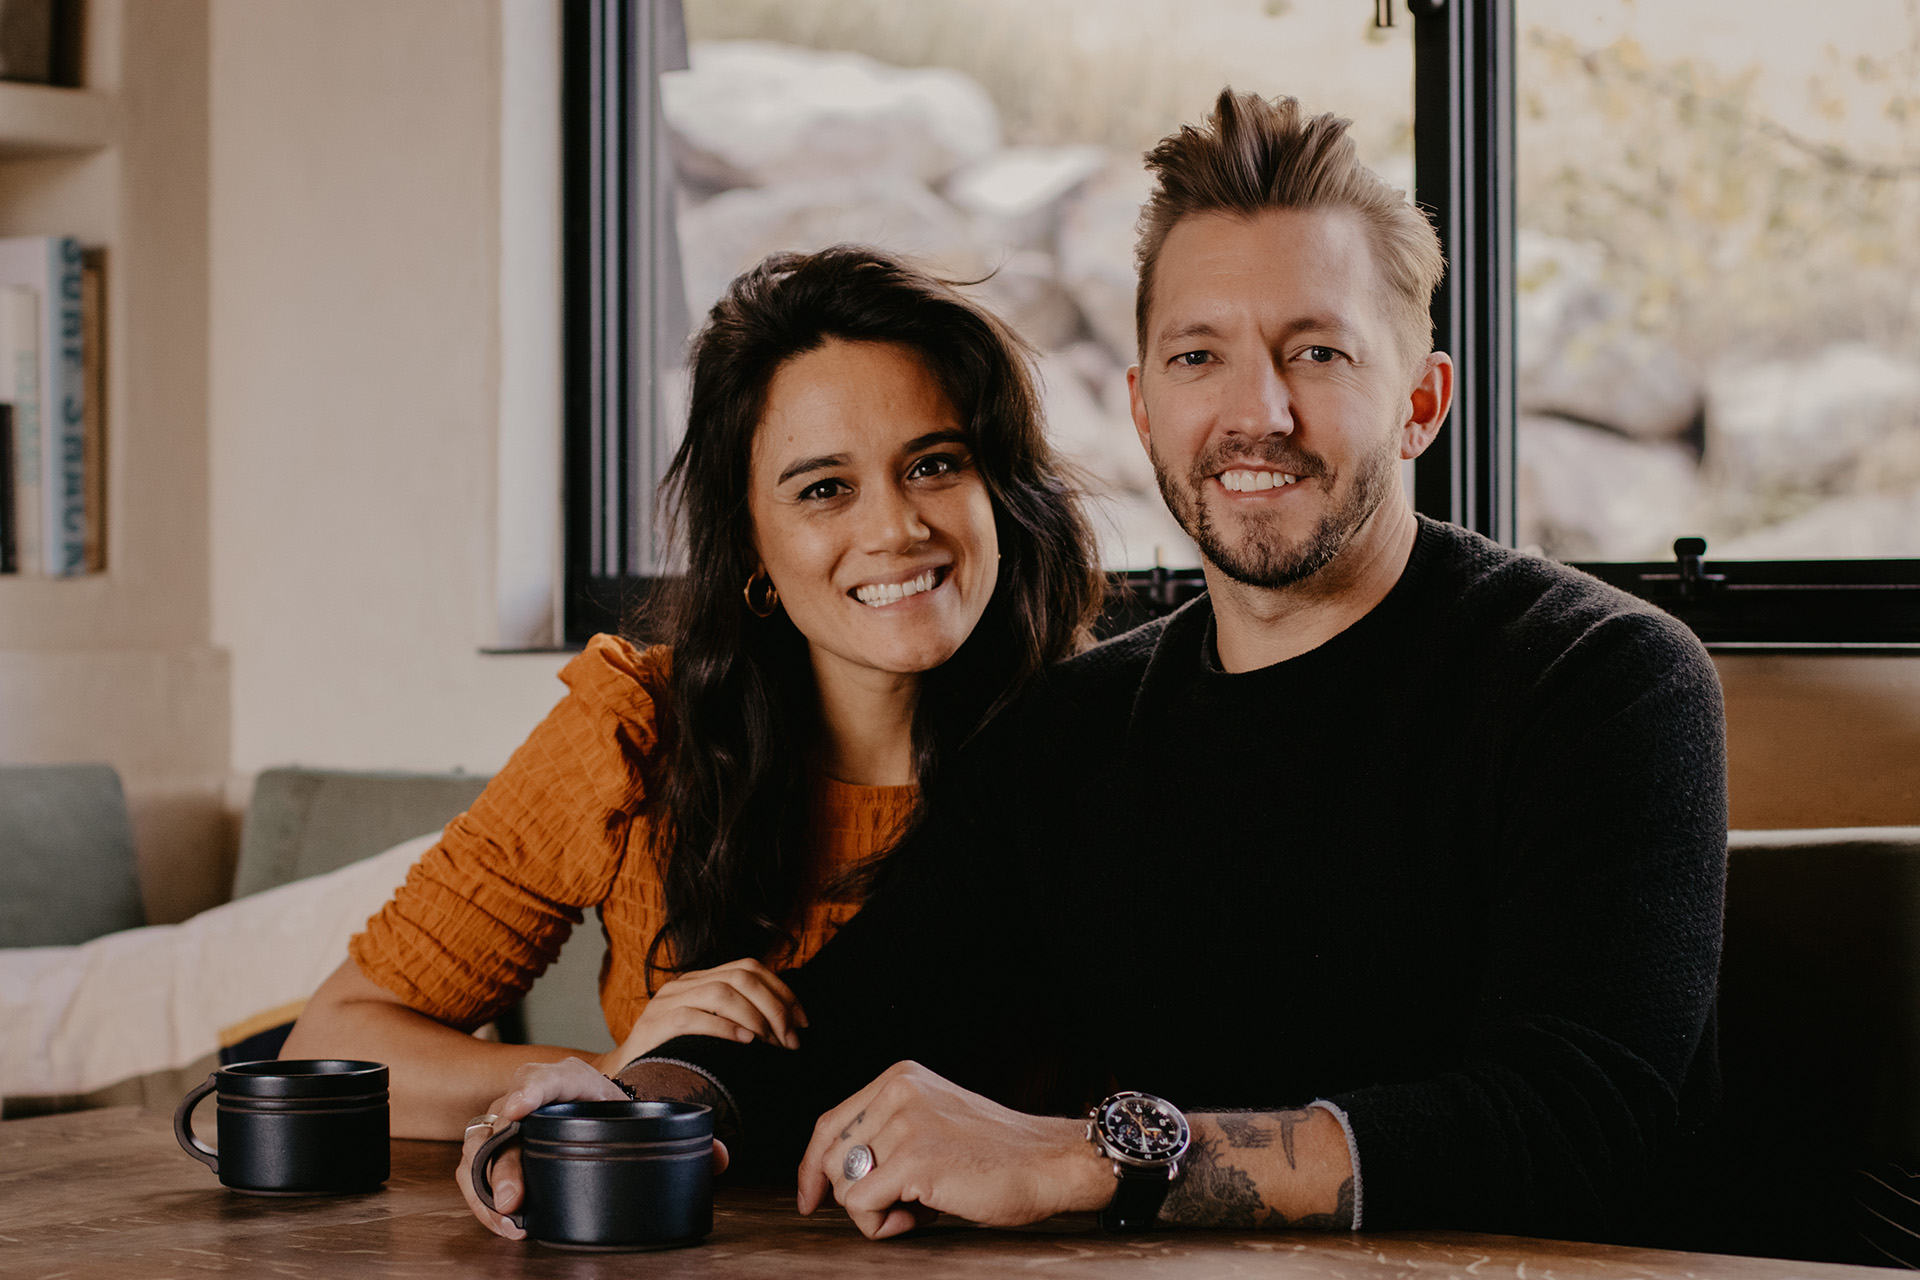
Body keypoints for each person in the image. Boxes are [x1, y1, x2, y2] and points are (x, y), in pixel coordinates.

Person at [466, 91, 1725, 1247]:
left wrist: (1094, 1158)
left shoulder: (1604, 679)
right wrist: (626, 1103)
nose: (1257, 413)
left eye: (1319, 353)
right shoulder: (1071, 730)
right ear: (1138, 403)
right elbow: (859, 1014)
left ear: (1423, 401)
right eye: (1199, 357)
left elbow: (1578, 1121)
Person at [281, 245, 1104, 1145]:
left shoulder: (1101, 747)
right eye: (825, 488)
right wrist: (624, 1080)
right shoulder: (636, 734)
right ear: (751, 544)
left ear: (1005, 491)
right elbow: (334, 1043)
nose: (897, 528)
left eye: (936, 464)